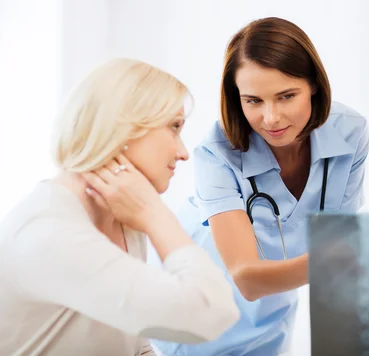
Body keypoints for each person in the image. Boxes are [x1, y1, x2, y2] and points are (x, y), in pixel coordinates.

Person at [152, 17, 369, 355]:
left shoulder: (349, 133)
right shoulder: (216, 153)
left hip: (273, 314)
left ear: (313, 84)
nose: (271, 118)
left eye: (286, 96)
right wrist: (357, 254)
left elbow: (336, 243)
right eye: (253, 100)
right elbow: (247, 278)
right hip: (194, 312)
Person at [0, 58, 240, 356]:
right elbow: (212, 313)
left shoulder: (119, 218)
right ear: (123, 128)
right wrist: (156, 216)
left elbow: (133, 344)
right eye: (174, 127)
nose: (182, 152)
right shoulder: (49, 231)